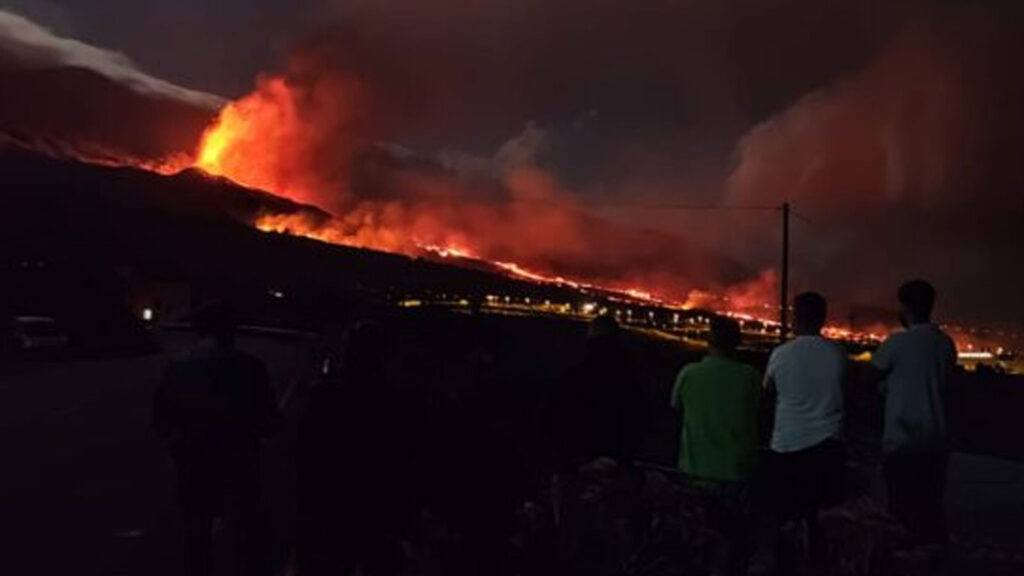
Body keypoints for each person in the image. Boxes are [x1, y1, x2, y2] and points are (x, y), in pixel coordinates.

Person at [153, 303, 279, 576]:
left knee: (197, 534)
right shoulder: (250, 368)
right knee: (245, 536)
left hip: (192, 463)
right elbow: (270, 421)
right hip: (239, 464)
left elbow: (161, 423)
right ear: (232, 332)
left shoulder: (177, 370)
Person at [297, 322, 419, 576]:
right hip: (376, 510)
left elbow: (306, 454)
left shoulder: (324, 396)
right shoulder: (396, 402)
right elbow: (405, 460)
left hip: (331, 507)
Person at [760, 292, 847, 569]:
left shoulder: (781, 354)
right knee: (821, 524)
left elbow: (767, 392)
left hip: (787, 447)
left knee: (787, 523)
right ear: (822, 318)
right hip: (828, 448)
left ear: (795, 317)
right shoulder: (838, 354)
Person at [868, 280, 956, 546]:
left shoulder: (897, 343)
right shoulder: (945, 344)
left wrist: (884, 389)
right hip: (936, 443)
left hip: (902, 441)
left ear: (904, 308)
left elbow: (867, 377)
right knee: (930, 512)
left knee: (901, 516)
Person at [670, 316, 761, 575]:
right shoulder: (750, 377)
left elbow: (674, 409)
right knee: (732, 545)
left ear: (709, 341)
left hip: (695, 469)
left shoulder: (688, 374)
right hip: (737, 472)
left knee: (695, 544)